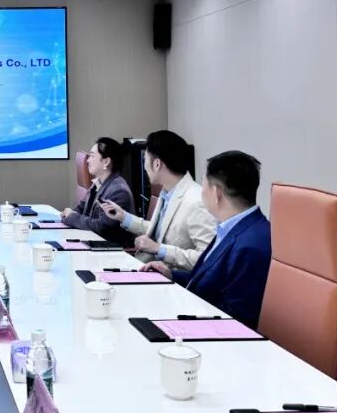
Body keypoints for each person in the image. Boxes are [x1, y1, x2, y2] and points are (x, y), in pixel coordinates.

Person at [141, 150, 272, 328]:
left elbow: (236, 320)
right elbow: (208, 283)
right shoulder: (230, 227)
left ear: (216, 193)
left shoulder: (252, 245)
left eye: (203, 185)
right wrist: (170, 274)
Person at [99, 130, 215, 271]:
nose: (144, 166)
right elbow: (162, 231)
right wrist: (123, 217)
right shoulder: (167, 192)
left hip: (175, 280)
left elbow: (209, 258)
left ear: (157, 164)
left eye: (145, 160)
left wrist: (160, 249)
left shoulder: (196, 201)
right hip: (151, 270)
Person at [60, 137, 135, 245]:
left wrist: (72, 217)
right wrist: (68, 214)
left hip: (110, 250)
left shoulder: (118, 191)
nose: (87, 160)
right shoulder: (98, 183)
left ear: (106, 162)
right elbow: (81, 208)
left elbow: (101, 227)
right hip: (92, 243)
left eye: (92, 156)